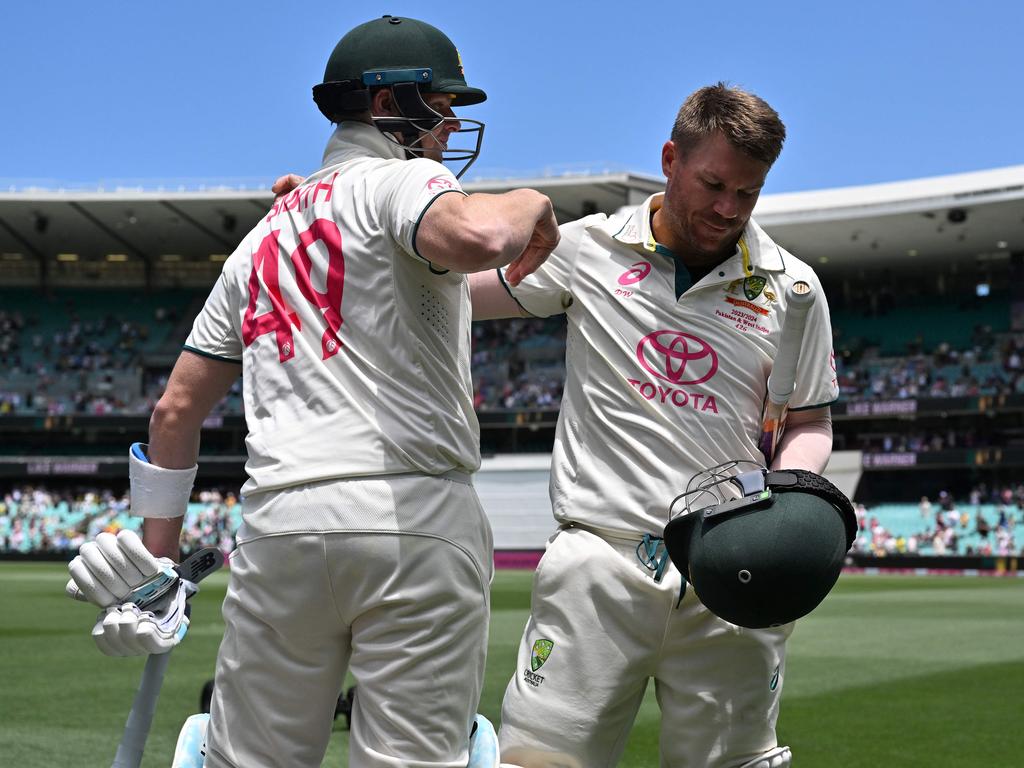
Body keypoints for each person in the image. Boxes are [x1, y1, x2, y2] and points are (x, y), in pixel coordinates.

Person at [66, 15, 558, 768]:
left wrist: (159, 570)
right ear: (392, 106)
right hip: (412, 517)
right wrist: (532, 203)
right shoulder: (407, 177)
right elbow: (479, 241)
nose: (454, 121)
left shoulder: (261, 236)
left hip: (279, 528)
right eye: (443, 102)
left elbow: (174, 412)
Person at [470, 83, 839, 767]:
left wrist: (786, 504)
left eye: (748, 194)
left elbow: (810, 422)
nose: (728, 209)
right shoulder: (588, 249)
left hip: (733, 575)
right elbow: (455, 290)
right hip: (598, 564)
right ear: (671, 158)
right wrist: (352, 228)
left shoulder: (793, 289)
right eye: (714, 184)